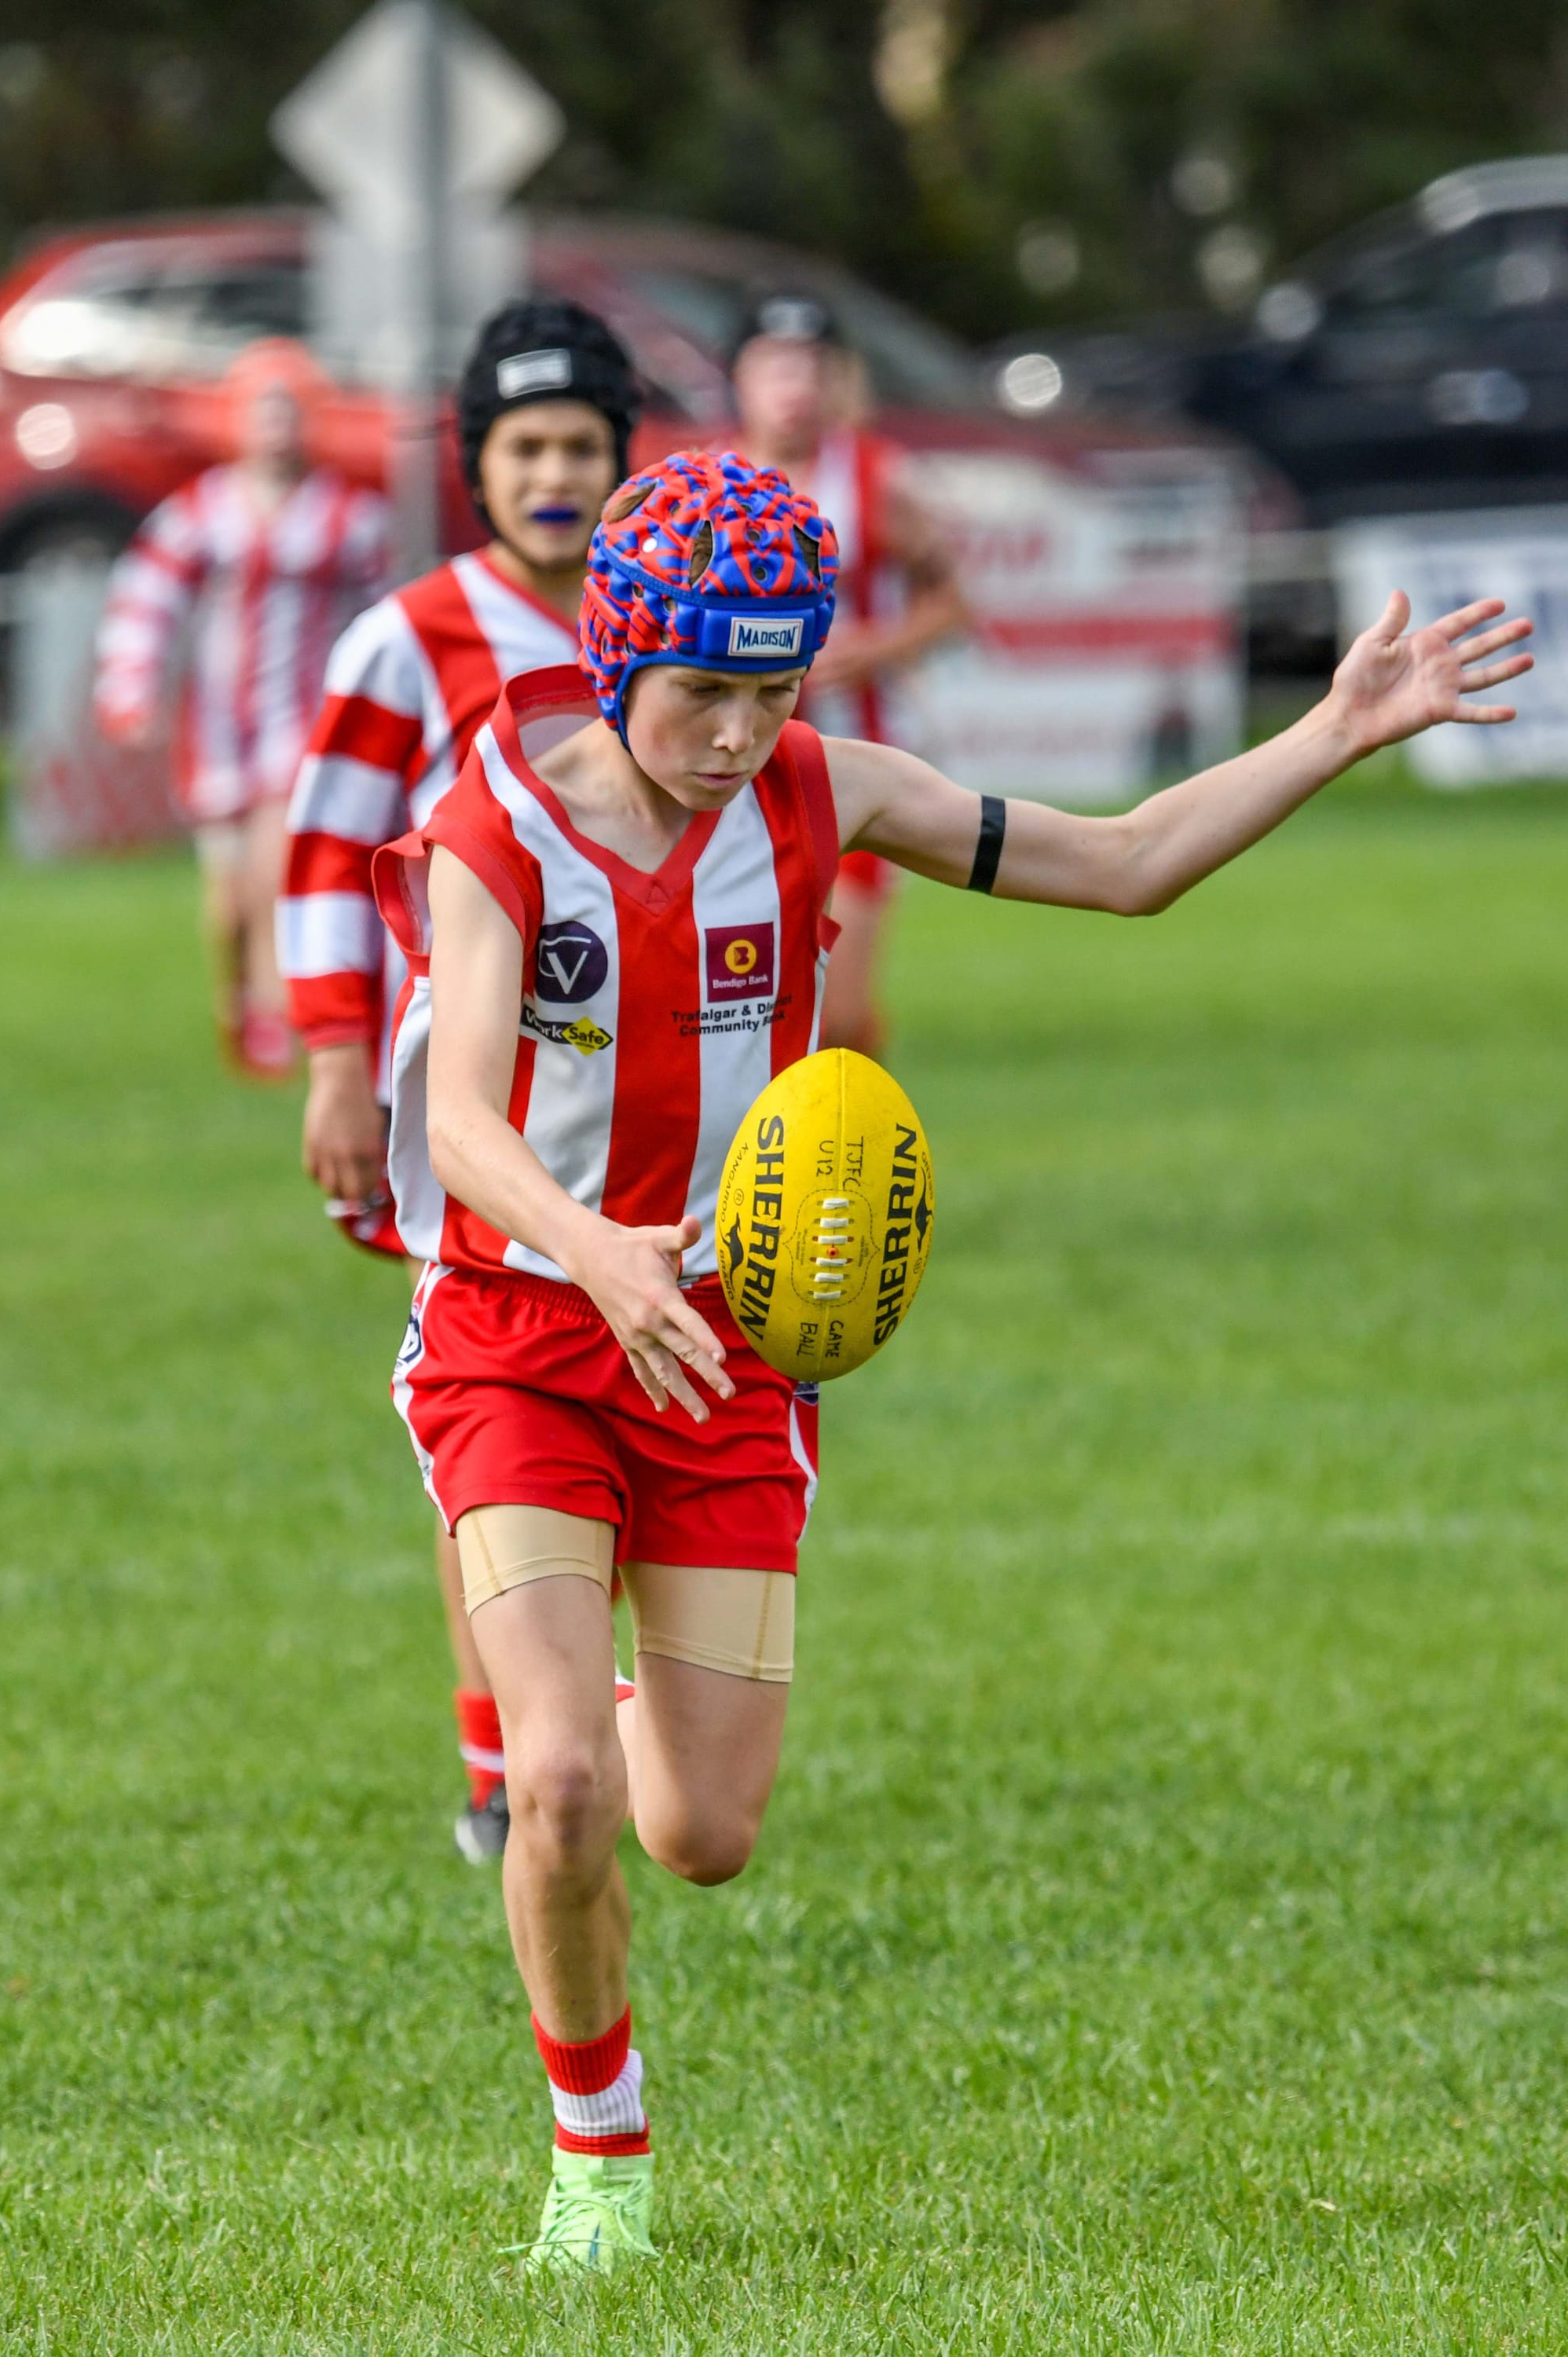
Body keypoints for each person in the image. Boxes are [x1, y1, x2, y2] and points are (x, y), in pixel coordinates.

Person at [369, 449, 1530, 2272]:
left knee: (701, 1826)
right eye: (703, 692)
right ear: (617, 655)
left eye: (773, 691)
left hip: (727, 1366)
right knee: (566, 1792)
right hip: (522, 1334)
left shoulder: (827, 792)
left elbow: (1126, 862)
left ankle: (578, 1735)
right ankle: (597, 2160)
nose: (741, 733)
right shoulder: (498, 816)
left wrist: (1329, 734)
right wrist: (591, 1247)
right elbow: (452, 1116)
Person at [278, 299, 640, 1864]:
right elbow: (320, 855)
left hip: (656, 1104)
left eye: (583, 446)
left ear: (628, 462)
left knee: (647, 1412)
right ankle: (502, 1761)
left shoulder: (673, 620)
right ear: (474, 465)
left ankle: (594, 1725)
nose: (556, 473)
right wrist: (336, 1068)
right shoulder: (411, 636)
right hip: (470, 1110)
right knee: (497, 1419)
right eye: (526, 447)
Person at [95, 339, 388, 1078]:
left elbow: (387, 614)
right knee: (227, 898)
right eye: (264, 411)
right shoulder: (201, 510)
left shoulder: (348, 516)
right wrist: (130, 690)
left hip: (303, 725)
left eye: (291, 411)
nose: (278, 428)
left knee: (274, 865)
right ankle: (239, 1002)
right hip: (220, 731)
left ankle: (275, 1014)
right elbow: (146, 601)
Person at [728, 290, 967, 1056]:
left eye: (810, 366)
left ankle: (854, 1144)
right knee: (752, 1013)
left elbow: (953, 604)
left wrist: (878, 645)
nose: (792, 386)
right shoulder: (704, 484)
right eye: (774, 366)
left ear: (836, 380)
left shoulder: (876, 479)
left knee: (838, 1016)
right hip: (733, 771)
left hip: (852, 769)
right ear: (738, 379)